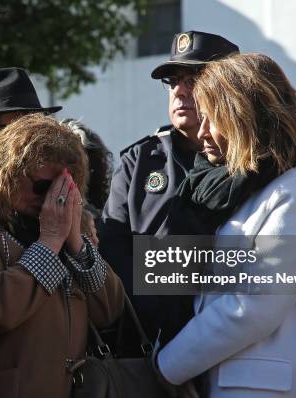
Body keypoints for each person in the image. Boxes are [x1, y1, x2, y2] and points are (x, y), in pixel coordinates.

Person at [155, 53, 296, 397]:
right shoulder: (244, 191)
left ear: (245, 118)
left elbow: (255, 304)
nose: (203, 132)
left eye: (213, 119)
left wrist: (168, 365)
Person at [0, 113, 124, 398]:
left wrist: (75, 240)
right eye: (43, 186)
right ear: (6, 175)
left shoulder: (63, 223)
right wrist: (50, 241)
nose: (53, 197)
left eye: (64, 186)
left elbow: (109, 311)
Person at [97, 31, 240, 344]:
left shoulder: (250, 161)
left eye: (192, 79)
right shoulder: (141, 159)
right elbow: (112, 248)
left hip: (227, 335)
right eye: (173, 81)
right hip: (148, 338)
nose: (179, 92)